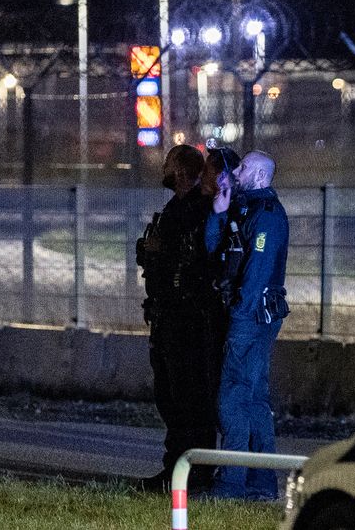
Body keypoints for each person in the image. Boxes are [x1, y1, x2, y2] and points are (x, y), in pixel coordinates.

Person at [135, 144, 226, 493]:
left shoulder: (200, 210)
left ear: (183, 171)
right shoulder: (175, 208)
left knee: (191, 401)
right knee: (170, 398)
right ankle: (174, 469)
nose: (164, 169)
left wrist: (163, 250)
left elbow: (198, 258)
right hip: (167, 317)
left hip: (189, 320)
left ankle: (194, 473)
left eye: (170, 163)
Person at [205, 150, 290, 500]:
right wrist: (218, 214)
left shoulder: (266, 215)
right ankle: (261, 483)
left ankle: (231, 483)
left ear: (259, 175)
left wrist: (239, 316)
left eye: (243, 168)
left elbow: (257, 274)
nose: (236, 172)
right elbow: (214, 249)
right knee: (253, 399)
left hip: (251, 317)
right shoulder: (244, 210)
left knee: (231, 398)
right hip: (249, 314)